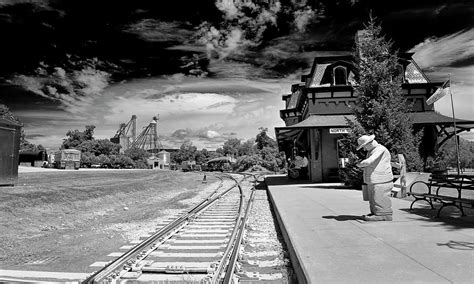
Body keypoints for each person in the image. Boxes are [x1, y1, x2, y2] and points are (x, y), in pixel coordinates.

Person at [356, 134, 394, 221]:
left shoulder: (380, 149)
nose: (364, 149)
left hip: (381, 179)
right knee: (373, 197)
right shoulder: (371, 151)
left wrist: (360, 164)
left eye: (364, 147)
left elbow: (369, 161)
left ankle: (383, 214)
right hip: (375, 179)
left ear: (370, 143)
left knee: (379, 196)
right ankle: (376, 212)